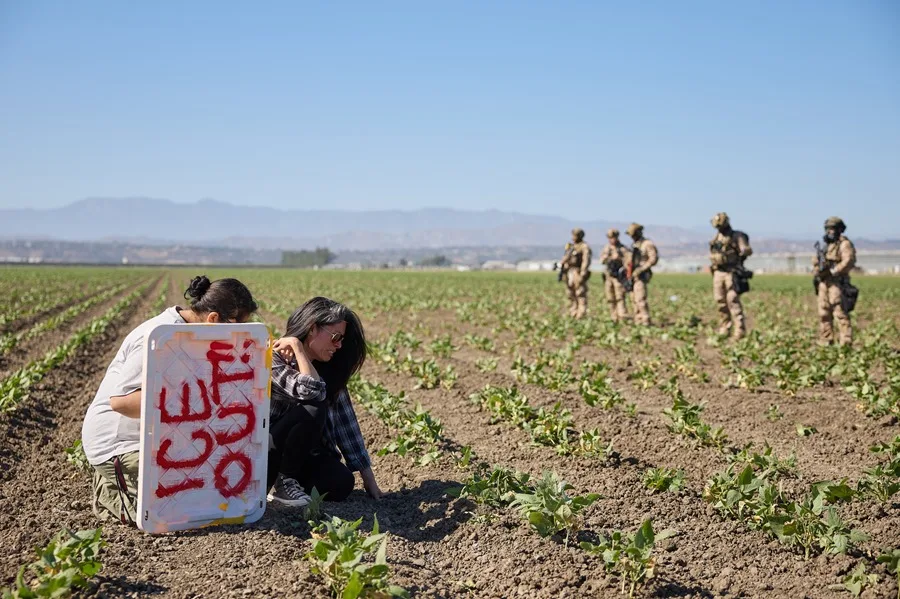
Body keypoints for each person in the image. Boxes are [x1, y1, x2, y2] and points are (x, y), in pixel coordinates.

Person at [81, 276, 258, 525]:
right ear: (214, 319)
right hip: (120, 442)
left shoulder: (194, 332)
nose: (238, 337)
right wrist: (187, 398)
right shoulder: (154, 338)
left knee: (215, 484)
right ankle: (113, 490)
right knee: (182, 510)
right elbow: (121, 403)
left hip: (157, 436)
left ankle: (121, 481)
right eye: (238, 328)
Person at [267, 297, 382, 507]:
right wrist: (297, 347)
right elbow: (311, 393)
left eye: (342, 340)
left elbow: (346, 423)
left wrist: (369, 479)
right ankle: (282, 485)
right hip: (269, 452)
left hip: (301, 455)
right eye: (335, 337)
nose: (338, 346)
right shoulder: (274, 358)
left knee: (341, 483)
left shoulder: (328, 368)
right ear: (312, 329)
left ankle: (290, 485)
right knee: (314, 407)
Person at [813, 217, 857, 346]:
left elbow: (848, 261)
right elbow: (816, 262)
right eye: (828, 229)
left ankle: (845, 343)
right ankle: (826, 341)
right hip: (824, 283)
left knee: (840, 313)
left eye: (833, 228)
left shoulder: (844, 244)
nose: (830, 231)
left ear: (839, 229)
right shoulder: (826, 246)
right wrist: (818, 268)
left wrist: (834, 270)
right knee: (824, 313)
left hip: (837, 284)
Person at [709, 212, 753, 340]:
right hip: (718, 273)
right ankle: (725, 327)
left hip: (731, 272)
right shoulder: (716, 238)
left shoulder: (737, 236)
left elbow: (746, 250)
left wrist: (744, 250)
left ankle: (740, 330)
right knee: (720, 300)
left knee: (732, 300)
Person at [626, 223, 658, 325]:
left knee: (640, 298)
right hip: (632, 275)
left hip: (641, 275)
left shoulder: (647, 244)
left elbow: (653, 259)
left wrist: (642, 269)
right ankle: (638, 319)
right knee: (633, 299)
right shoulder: (635, 245)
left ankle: (645, 320)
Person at [598, 228, 630, 322]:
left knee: (620, 297)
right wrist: (609, 258)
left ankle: (622, 316)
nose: (611, 240)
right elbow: (602, 260)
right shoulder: (607, 248)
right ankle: (613, 316)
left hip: (618, 277)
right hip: (609, 276)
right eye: (610, 238)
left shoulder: (622, 249)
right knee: (610, 298)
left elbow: (628, 262)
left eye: (613, 237)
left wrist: (619, 259)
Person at [561, 228, 592, 319]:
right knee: (570, 294)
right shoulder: (571, 247)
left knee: (580, 293)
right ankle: (573, 312)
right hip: (569, 272)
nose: (573, 237)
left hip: (577, 272)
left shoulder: (584, 247)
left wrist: (583, 273)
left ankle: (581, 314)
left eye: (575, 235)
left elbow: (586, 261)